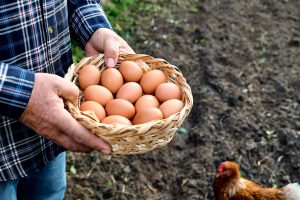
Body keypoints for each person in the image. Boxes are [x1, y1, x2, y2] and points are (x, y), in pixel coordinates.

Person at [0, 0, 134, 199]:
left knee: (50, 193)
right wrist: (19, 93)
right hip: (3, 146)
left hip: (54, 125)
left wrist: (92, 27)